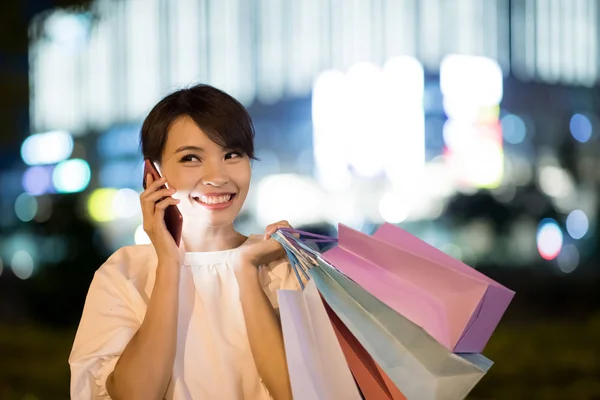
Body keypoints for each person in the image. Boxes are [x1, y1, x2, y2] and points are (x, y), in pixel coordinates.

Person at [69, 84, 299, 399]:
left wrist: (246, 270)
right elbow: (134, 395)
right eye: (191, 158)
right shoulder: (125, 273)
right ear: (153, 173)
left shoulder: (281, 264)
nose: (217, 176)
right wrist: (169, 264)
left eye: (232, 154)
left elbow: (298, 393)